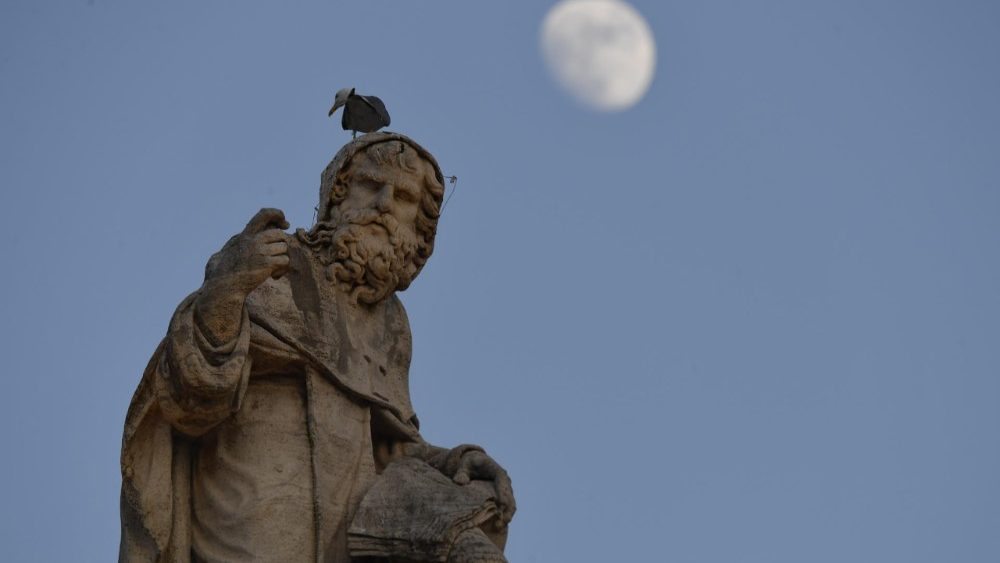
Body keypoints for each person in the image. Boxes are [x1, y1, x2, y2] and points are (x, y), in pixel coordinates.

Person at [120, 133, 515, 563]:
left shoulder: (392, 327)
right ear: (336, 197)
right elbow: (191, 399)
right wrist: (225, 294)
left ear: (420, 233)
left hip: (342, 536)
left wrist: (454, 461)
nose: (384, 203)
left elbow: (384, 446)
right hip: (250, 522)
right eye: (371, 184)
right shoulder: (274, 264)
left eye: (403, 197)